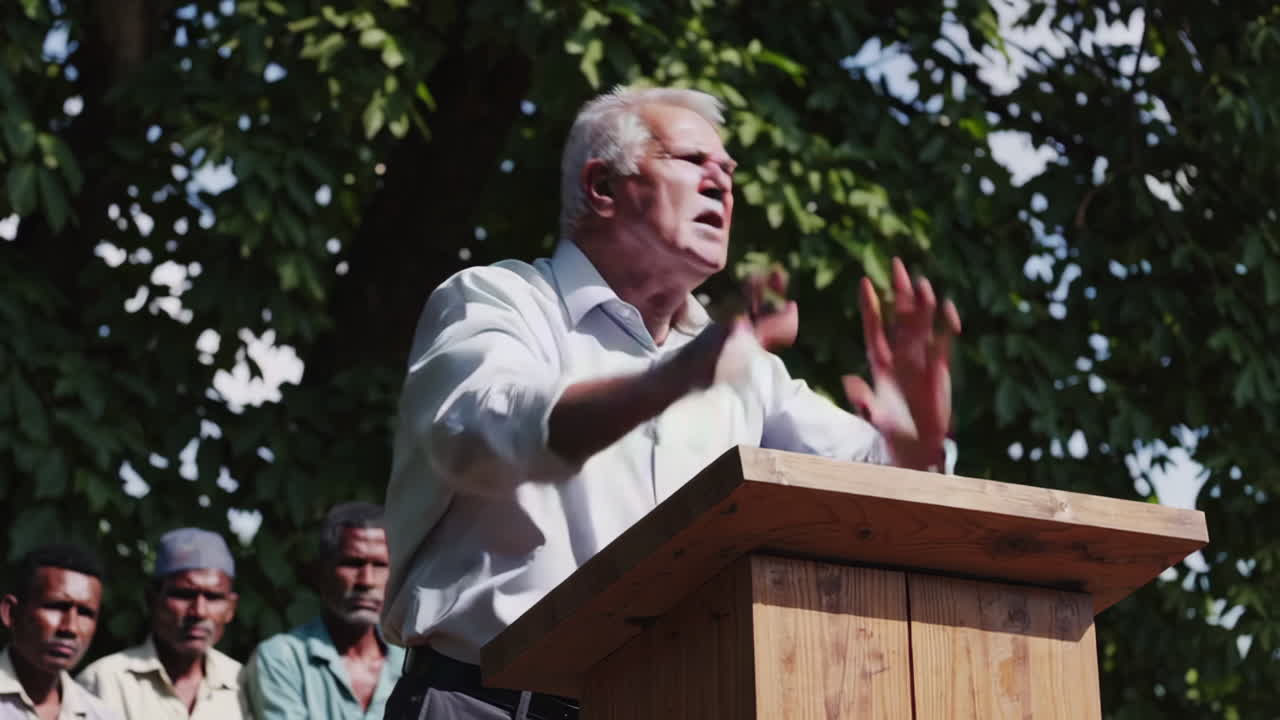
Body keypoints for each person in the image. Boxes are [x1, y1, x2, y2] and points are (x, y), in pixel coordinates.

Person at [381, 86, 961, 720]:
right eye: (692, 160)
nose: (723, 183)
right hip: (483, 704)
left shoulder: (746, 369)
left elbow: (866, 481)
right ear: (602, 186)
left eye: (730, 172)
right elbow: (496, 429)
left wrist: (918, 444)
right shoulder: (499, 300)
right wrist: (675, 378)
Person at [241, 502, 404, 719]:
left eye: (380, 565)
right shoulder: (282, 658)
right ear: (321, 572)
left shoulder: (411, 661)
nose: (367, 581)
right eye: (352, 563)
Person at [78, 529, 243, 720]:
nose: (199, 611)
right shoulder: (104, 681)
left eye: (213, 597)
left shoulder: (244, 683)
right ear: (152, 600)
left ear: (231, 608)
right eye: (183, 595)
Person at [1, 544, 120, 720]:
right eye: (55, 606)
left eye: (85, 613)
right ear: (10, 613)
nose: (70, 628)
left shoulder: (101, 715)